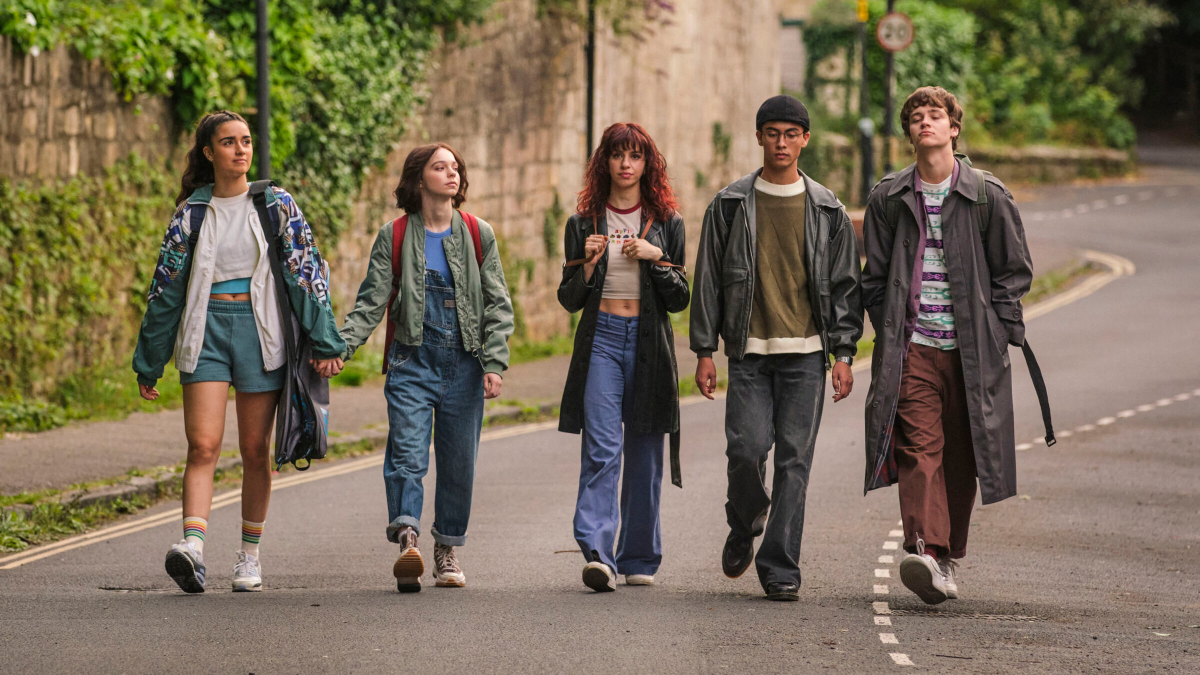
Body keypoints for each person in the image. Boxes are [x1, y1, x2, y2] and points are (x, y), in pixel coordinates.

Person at [133, 110, 346, 593]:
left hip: (261, 332)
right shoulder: (191, 213)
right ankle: (193, 547)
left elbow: (305, 275)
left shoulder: (277, 204)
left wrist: (327, 341)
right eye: (228, 142)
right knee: (203, 445)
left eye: (246, 141)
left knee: (254, 451)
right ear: (209, 153)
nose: (240, 149)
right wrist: (150, 360)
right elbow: (165, 291)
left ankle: (249, 556)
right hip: (204, 331)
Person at [861, 86, 1042, 605]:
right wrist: (889, 325)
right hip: (913, 346)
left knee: (964, 457)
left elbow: (1014, 270)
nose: (925, 123)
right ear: (908, 132)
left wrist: (999, 329)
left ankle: (945, 555)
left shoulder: (987, 194)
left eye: (934, 115)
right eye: (915, 117)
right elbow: (873, 277)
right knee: (919, 450)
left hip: (971, 350)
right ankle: (924, 549)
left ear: (953, 128)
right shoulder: (889, 197)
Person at [691, 95, 863, 601]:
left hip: (807, 355)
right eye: (773, 133)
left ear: (805, 139)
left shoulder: (828, 209)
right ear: (760, 137)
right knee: (745, 450)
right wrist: (705, 349)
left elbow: (845, 286)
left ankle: (780, 565)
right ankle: (744, 520)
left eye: (792, 133)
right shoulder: (729, 204)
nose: (782, 142)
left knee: (794, 461)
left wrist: (844, 354)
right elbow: (707, 283)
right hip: (748, 353)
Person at [338, 143, 514, 593]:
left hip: (465, 364)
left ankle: (446, 549)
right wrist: (340, 347)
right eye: (440, 167)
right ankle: (408, 540)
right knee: (407, 455)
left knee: (459, 465)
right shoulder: (394, 236)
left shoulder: (478, 233)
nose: (451, 174)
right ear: (419, 181)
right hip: (412, 361)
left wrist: (494, 362)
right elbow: (370, 304)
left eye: (455, 167)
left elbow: (497, 303)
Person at [558, 122, 689, 593]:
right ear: (605, 162)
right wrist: (588, 265)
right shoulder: (583, 223)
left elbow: (680, 299)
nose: (626, 164)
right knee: (601, 448)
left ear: (646, 164)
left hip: (650, 345)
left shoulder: (667, 223)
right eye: (618, 155)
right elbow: (569, 298)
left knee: (645, 453)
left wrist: (658, 258)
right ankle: (598, 554)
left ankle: (638, 556)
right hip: (603, 342)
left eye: (635, 156)